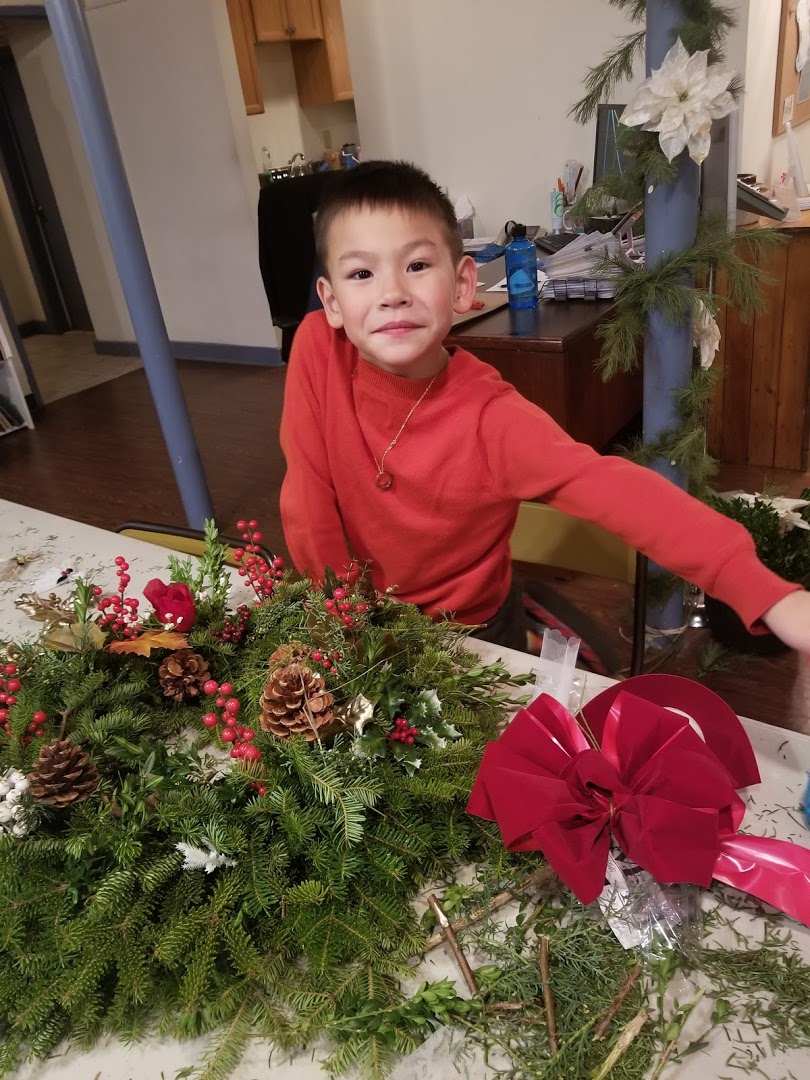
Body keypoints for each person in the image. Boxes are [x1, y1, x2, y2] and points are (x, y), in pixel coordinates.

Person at [279, 160, 810, 654]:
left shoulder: (492, 418)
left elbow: (614, 490)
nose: (392, 292)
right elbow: (307, 500)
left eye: (417, 264)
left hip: (470, 635)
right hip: (361, 625)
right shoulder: (318, 348)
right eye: (362, 274)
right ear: (331, 301)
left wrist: (760, 588)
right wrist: (347, 625)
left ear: (462, 285)